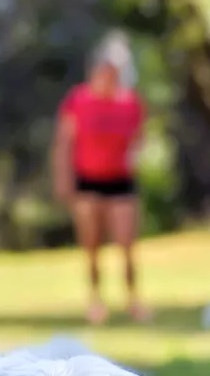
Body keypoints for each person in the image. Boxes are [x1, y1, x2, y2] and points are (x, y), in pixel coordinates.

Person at [53, 33, 150, 324]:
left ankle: (134, 300)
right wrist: (63, 179)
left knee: (126, 244)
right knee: (92, 246)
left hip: (120, 180)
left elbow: (140, 139)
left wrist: (136, 154)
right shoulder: (78, 101)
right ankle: (95, 302)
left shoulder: (131, 103)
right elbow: (64, 143)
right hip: (88, 181)